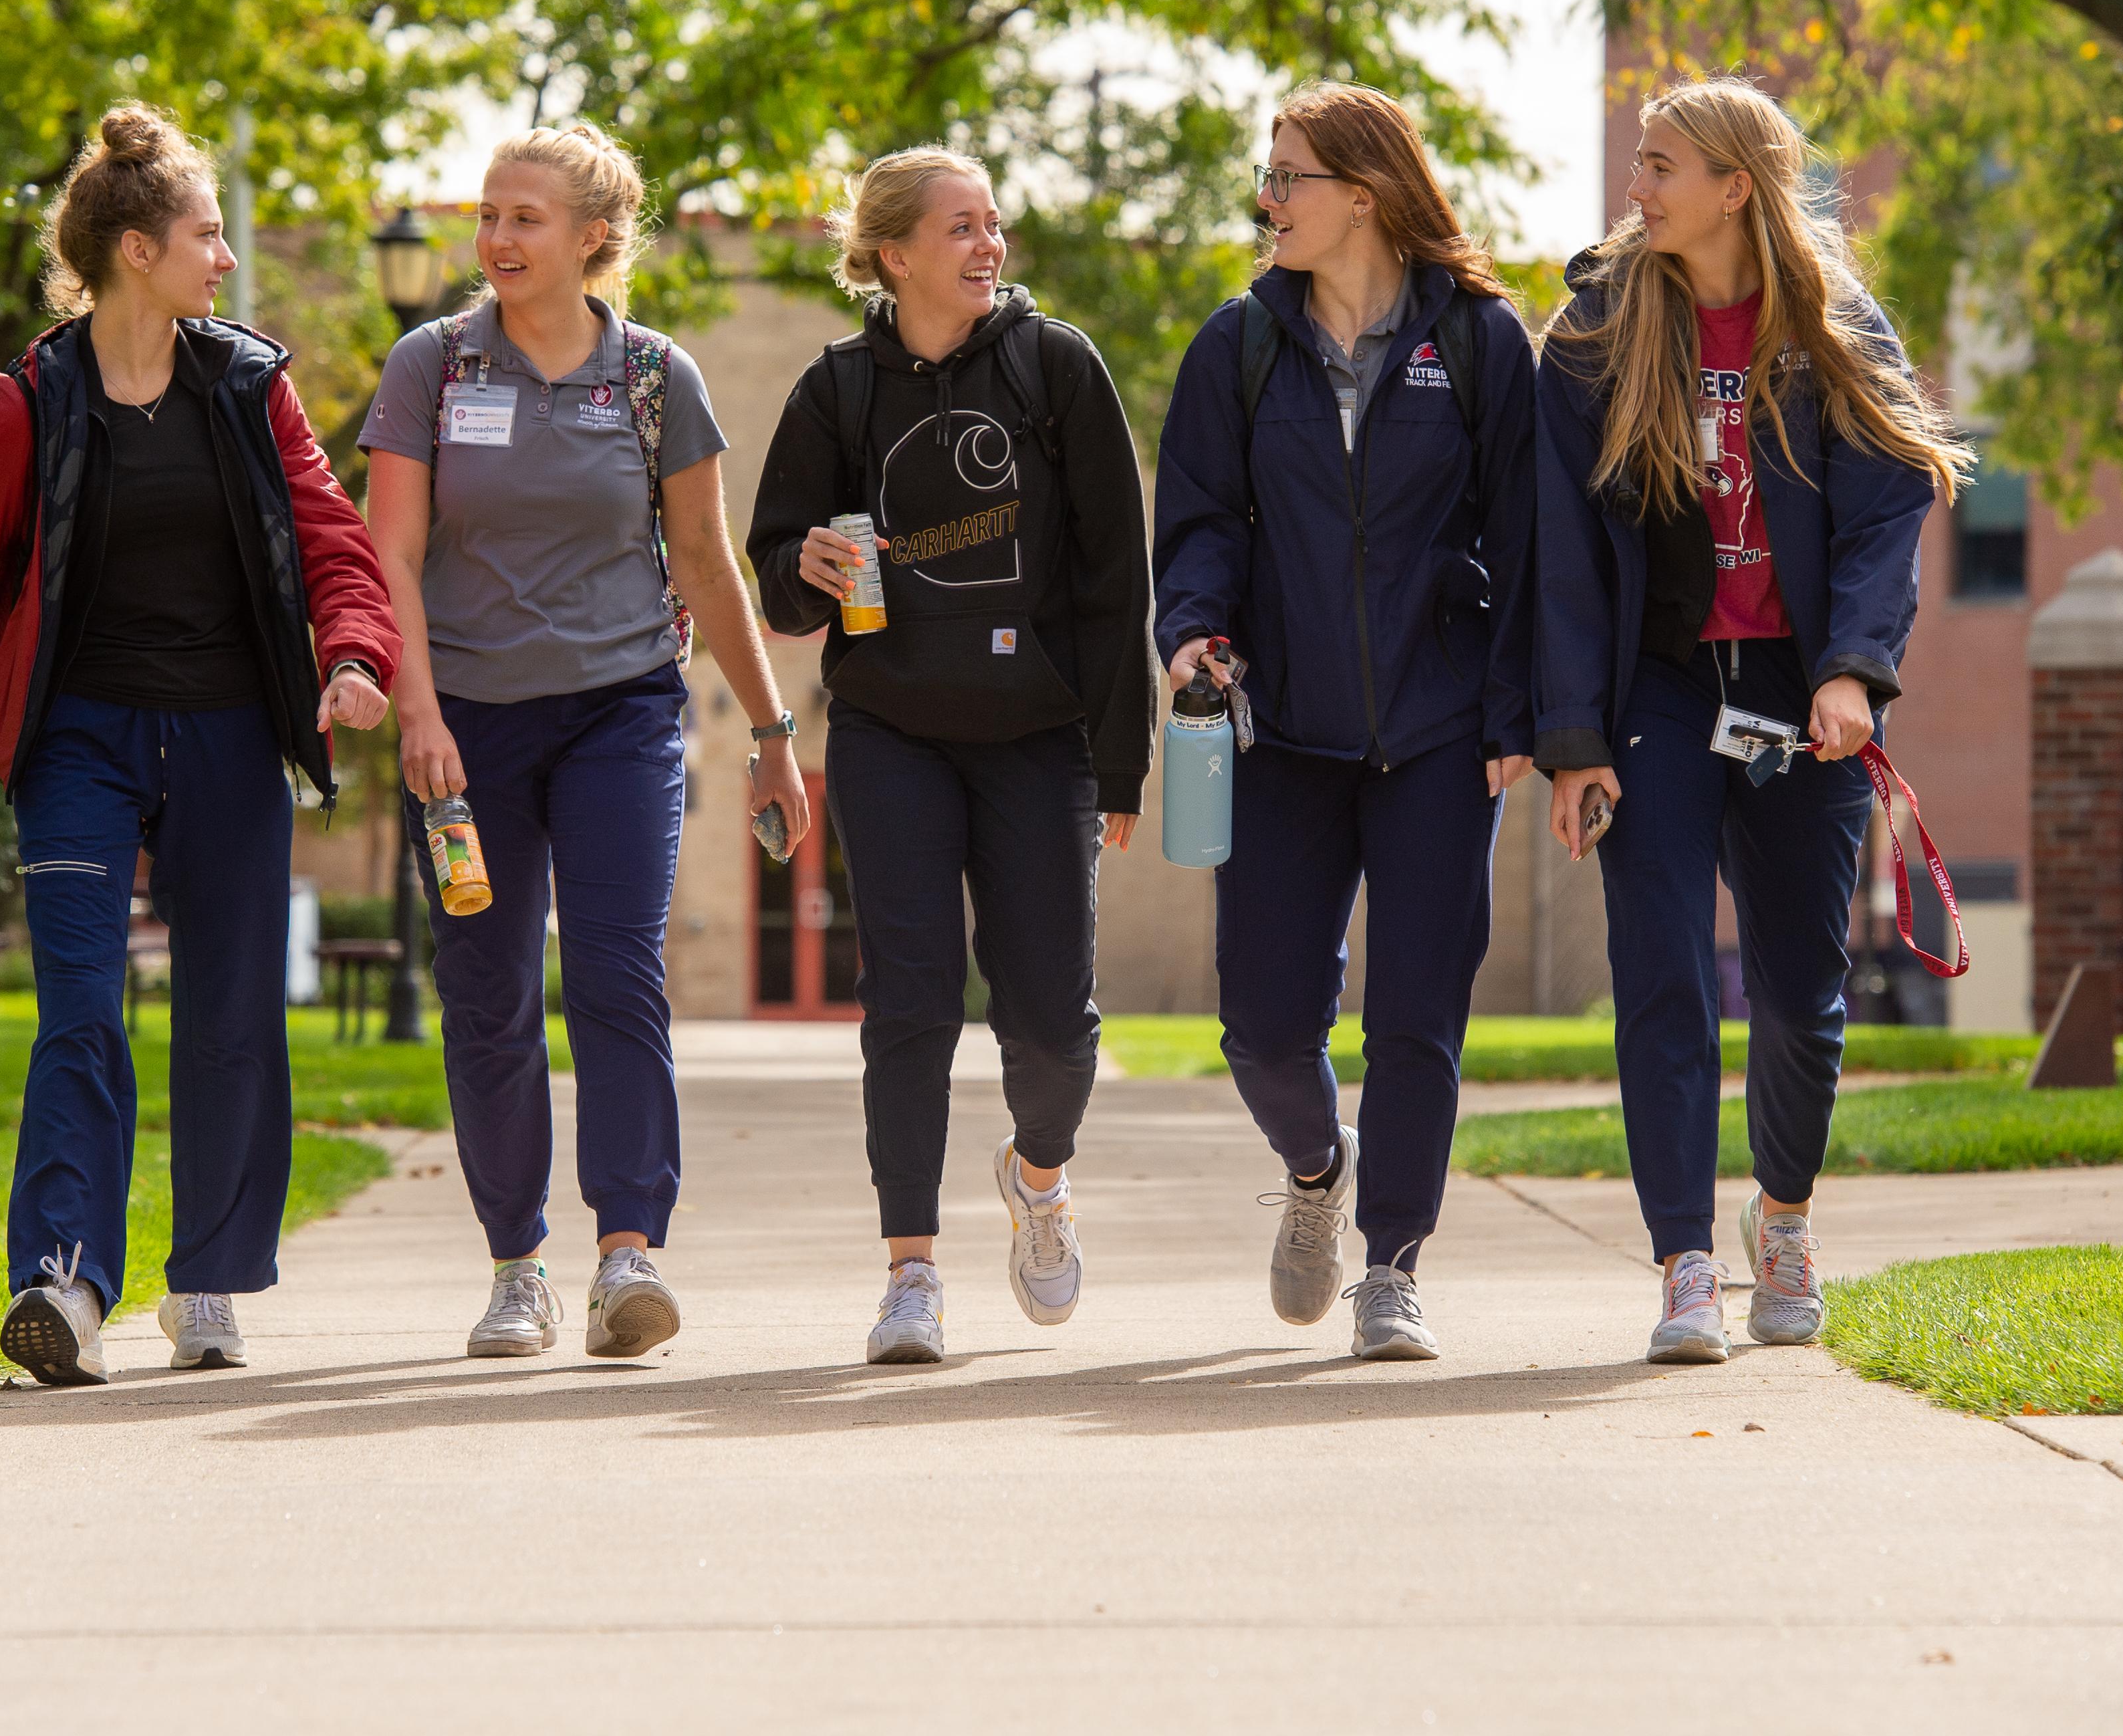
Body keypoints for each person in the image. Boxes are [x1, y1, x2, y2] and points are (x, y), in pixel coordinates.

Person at [0, 103, 401, 1386]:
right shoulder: (28, 403)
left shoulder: (251, 389)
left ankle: (206, 1283)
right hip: (79, 742)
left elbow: (332, 542)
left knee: (233, 1016)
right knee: (80, 1012)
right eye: (209, 234)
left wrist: (358, 654)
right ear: (137, 251)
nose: (229, 257)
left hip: (225, 738)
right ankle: (67, 1282)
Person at [362, 122, 811, 1361]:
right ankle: (517, 1266)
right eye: (489, 215)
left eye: (526, 219)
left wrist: (773, 731)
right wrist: (419, 710)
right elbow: (385, 553)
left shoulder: (657, 377)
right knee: (489, 994)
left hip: (623, 711)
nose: (496, 238)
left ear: (595, 238)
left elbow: (712, 567)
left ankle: (628, 1256)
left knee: (617, 977)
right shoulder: (432, 367)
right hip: (469, 734)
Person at [1535, 78, 1965, 1364]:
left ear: (1736, 186)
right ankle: (1682, 1263)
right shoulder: (1597, 333)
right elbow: (1561, 545)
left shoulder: (1834, 326)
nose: (1639, 184)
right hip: (1656, 693)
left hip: (1799, 695)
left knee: (1798, 992)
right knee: (1660, 973)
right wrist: (1572, 739)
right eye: (1639, 162)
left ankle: (1781, 1220)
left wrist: (1853, 670)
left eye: (1663, 165)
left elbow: (1890, 510)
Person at [747, 148, 1154, 1366]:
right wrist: (804, 567)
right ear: (894, 255)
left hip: (1038, 741)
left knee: (1051, 1022)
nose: (989, 247)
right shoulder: (836, 390)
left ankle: (1038, 1177)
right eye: (962, 228)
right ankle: (911, 1272)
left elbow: (1110, 574)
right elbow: (778, 570)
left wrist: (1120, 761)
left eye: (996, 225)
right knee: (909, 1006)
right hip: (892, 734)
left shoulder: (1056, 368)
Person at [1153, 82, 1537, 1363]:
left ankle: (1393, 1267)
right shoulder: (1239, 343)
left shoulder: (1480, 342)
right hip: (1285, 734)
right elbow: (1199, 516)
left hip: (1438, 734)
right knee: (1263, 1028)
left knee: (1419, 1016)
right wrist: (1193, 629)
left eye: (1289, 177)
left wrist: (1514, 705)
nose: (1267, 199)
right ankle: (1319, 1166)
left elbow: (1526, 540)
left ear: (1362, 196)